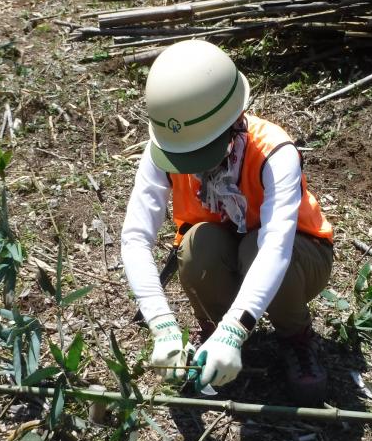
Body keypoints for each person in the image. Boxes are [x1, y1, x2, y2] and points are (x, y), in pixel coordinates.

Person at [120, 40, 334, 406]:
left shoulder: (275, 152)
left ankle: (295, 338)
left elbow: (275, 247)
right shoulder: (165, 150)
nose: (192, 166)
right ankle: (213, 335)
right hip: (224, 249)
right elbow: (136, 237)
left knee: (255, 247)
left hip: (299, 256)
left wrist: (236, 330)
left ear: (234, 122)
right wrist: (162, 323)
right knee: (196, 246)